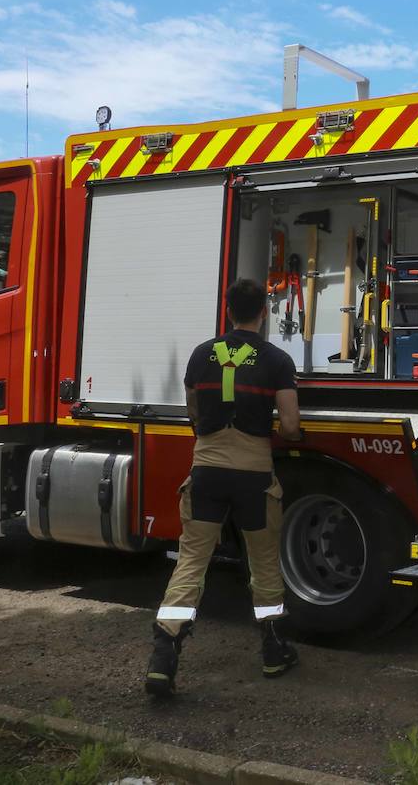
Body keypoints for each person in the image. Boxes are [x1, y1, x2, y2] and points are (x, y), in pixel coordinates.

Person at [146, 277, 304, 696]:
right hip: (253, 474)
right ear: (263, 313)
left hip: (207, 471)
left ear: (228, 309)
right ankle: (273, 651)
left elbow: (193, 413)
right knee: (264, 561)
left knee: (192, 560)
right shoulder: (276, 359)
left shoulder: (201, 355)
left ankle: (164, 654)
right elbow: (290, 427)